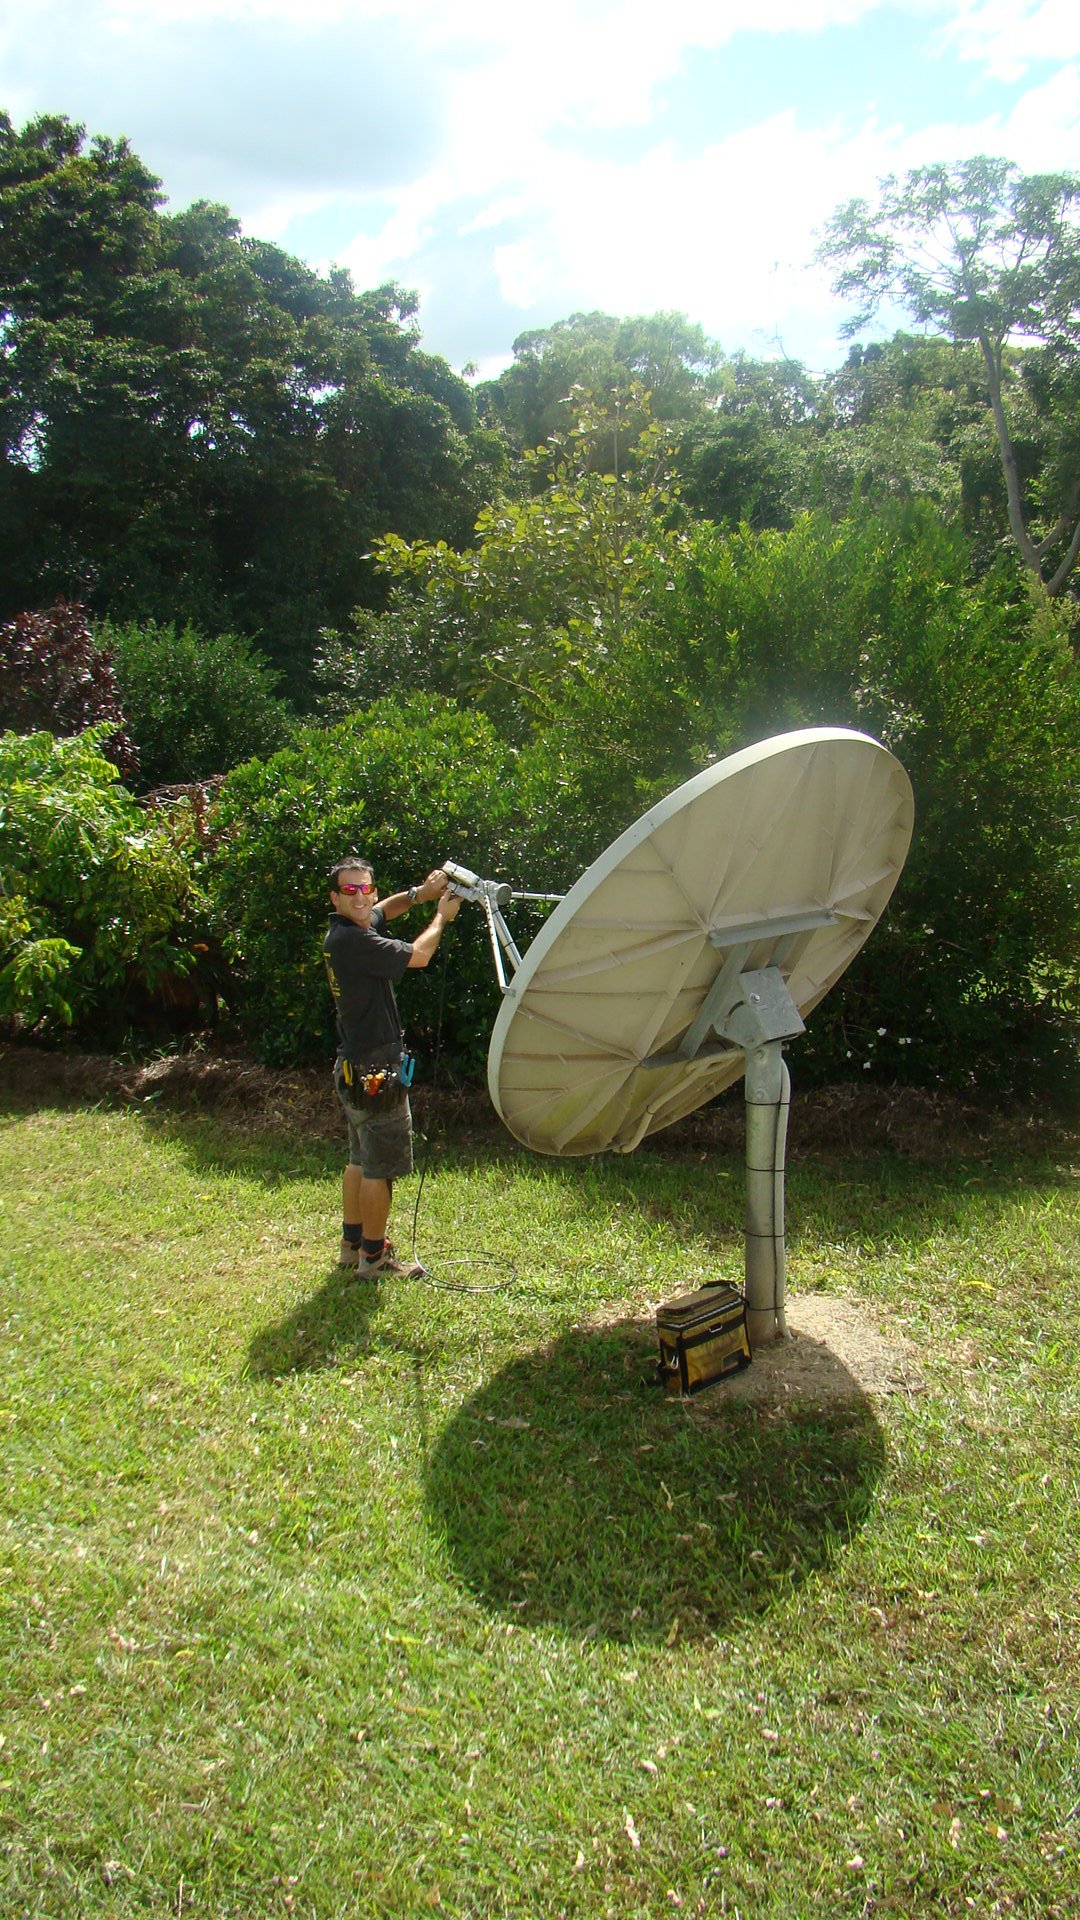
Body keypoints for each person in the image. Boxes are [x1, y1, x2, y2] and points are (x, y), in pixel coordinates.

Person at [323, 857, 462, 1279]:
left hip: (353, 1066)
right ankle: (374, 1257)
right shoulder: (354, 942)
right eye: (351, 890)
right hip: (375, 1071)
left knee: (360, 1159)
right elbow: (418, 956)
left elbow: (387, 909)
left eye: (367, 887)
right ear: (335, 897)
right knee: (379, 1169)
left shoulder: (349, 929)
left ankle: (351, 1245)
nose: (362, 896)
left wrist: (421, 893)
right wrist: (442, 916)